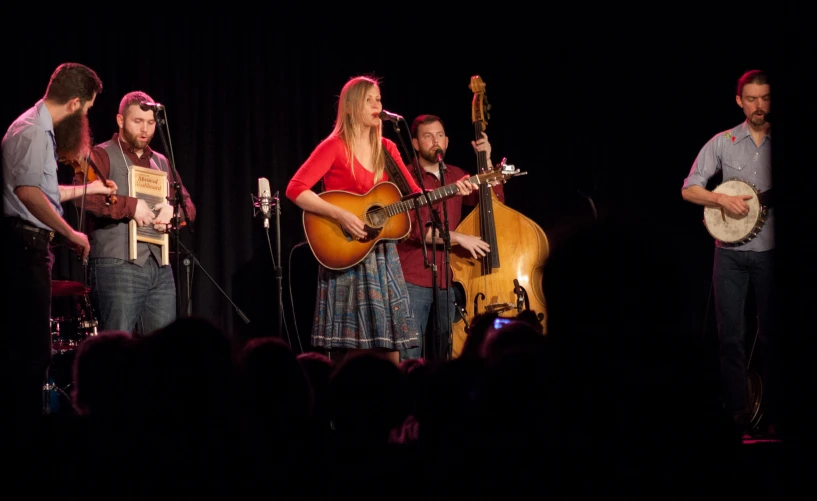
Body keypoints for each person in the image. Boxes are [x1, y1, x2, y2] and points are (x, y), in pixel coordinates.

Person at [285, 76, 477, 365]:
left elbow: (415, 193)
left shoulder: (387, 147)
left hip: (381, 255)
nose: (378, 105)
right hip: (346, 251)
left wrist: (454, 188)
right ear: (350, 107)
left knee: (391, 347)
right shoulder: (334, 146)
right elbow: (295, 188)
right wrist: (342, 215)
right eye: (370, 99)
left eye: (379, 99)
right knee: (349, 350)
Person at [2, 62, 114, 434]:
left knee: (33, 353)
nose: (85, 117)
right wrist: (71, 233)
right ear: (75, 103)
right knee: (31, 355)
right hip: (22, 248)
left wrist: (94, 189)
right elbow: (28, 194)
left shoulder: (39, 130)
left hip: (29, 248)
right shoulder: (33, 131)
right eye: (87, 109)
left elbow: (46, 191)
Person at [681, 69, 778, 436]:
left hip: (771, 252)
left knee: (773, 337)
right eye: (752, 98)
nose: (759, 105)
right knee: (731, 338)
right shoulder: (722, 142)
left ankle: (775, 416)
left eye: (765, 98)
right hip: (730, 255)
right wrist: (720, 198)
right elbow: (689, 189)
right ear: (740, 101)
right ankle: (737, 416)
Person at [74, 90, 196, 337]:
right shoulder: (100, 154)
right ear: (120, 121)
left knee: (162, 352)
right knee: (117, 351)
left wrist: (173, 214)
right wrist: (131, 206)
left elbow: (189, 207)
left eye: (151, 123)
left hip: (160, 268)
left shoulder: (161, 162)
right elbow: (81, 195)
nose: (145, 129)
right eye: (137, 121)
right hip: (116, 264)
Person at [396, 114, 505, 362]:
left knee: (446, 352)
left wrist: (486, 160)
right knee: (409, 354)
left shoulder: (457, 175)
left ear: (446, 141)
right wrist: (459, 237)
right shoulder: (405, 178)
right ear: (415, 144)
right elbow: (414, 230)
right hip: (413, 278)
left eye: (439, 136)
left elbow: (493, 203)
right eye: (427, 136)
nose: (435, 141)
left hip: (449, 279)